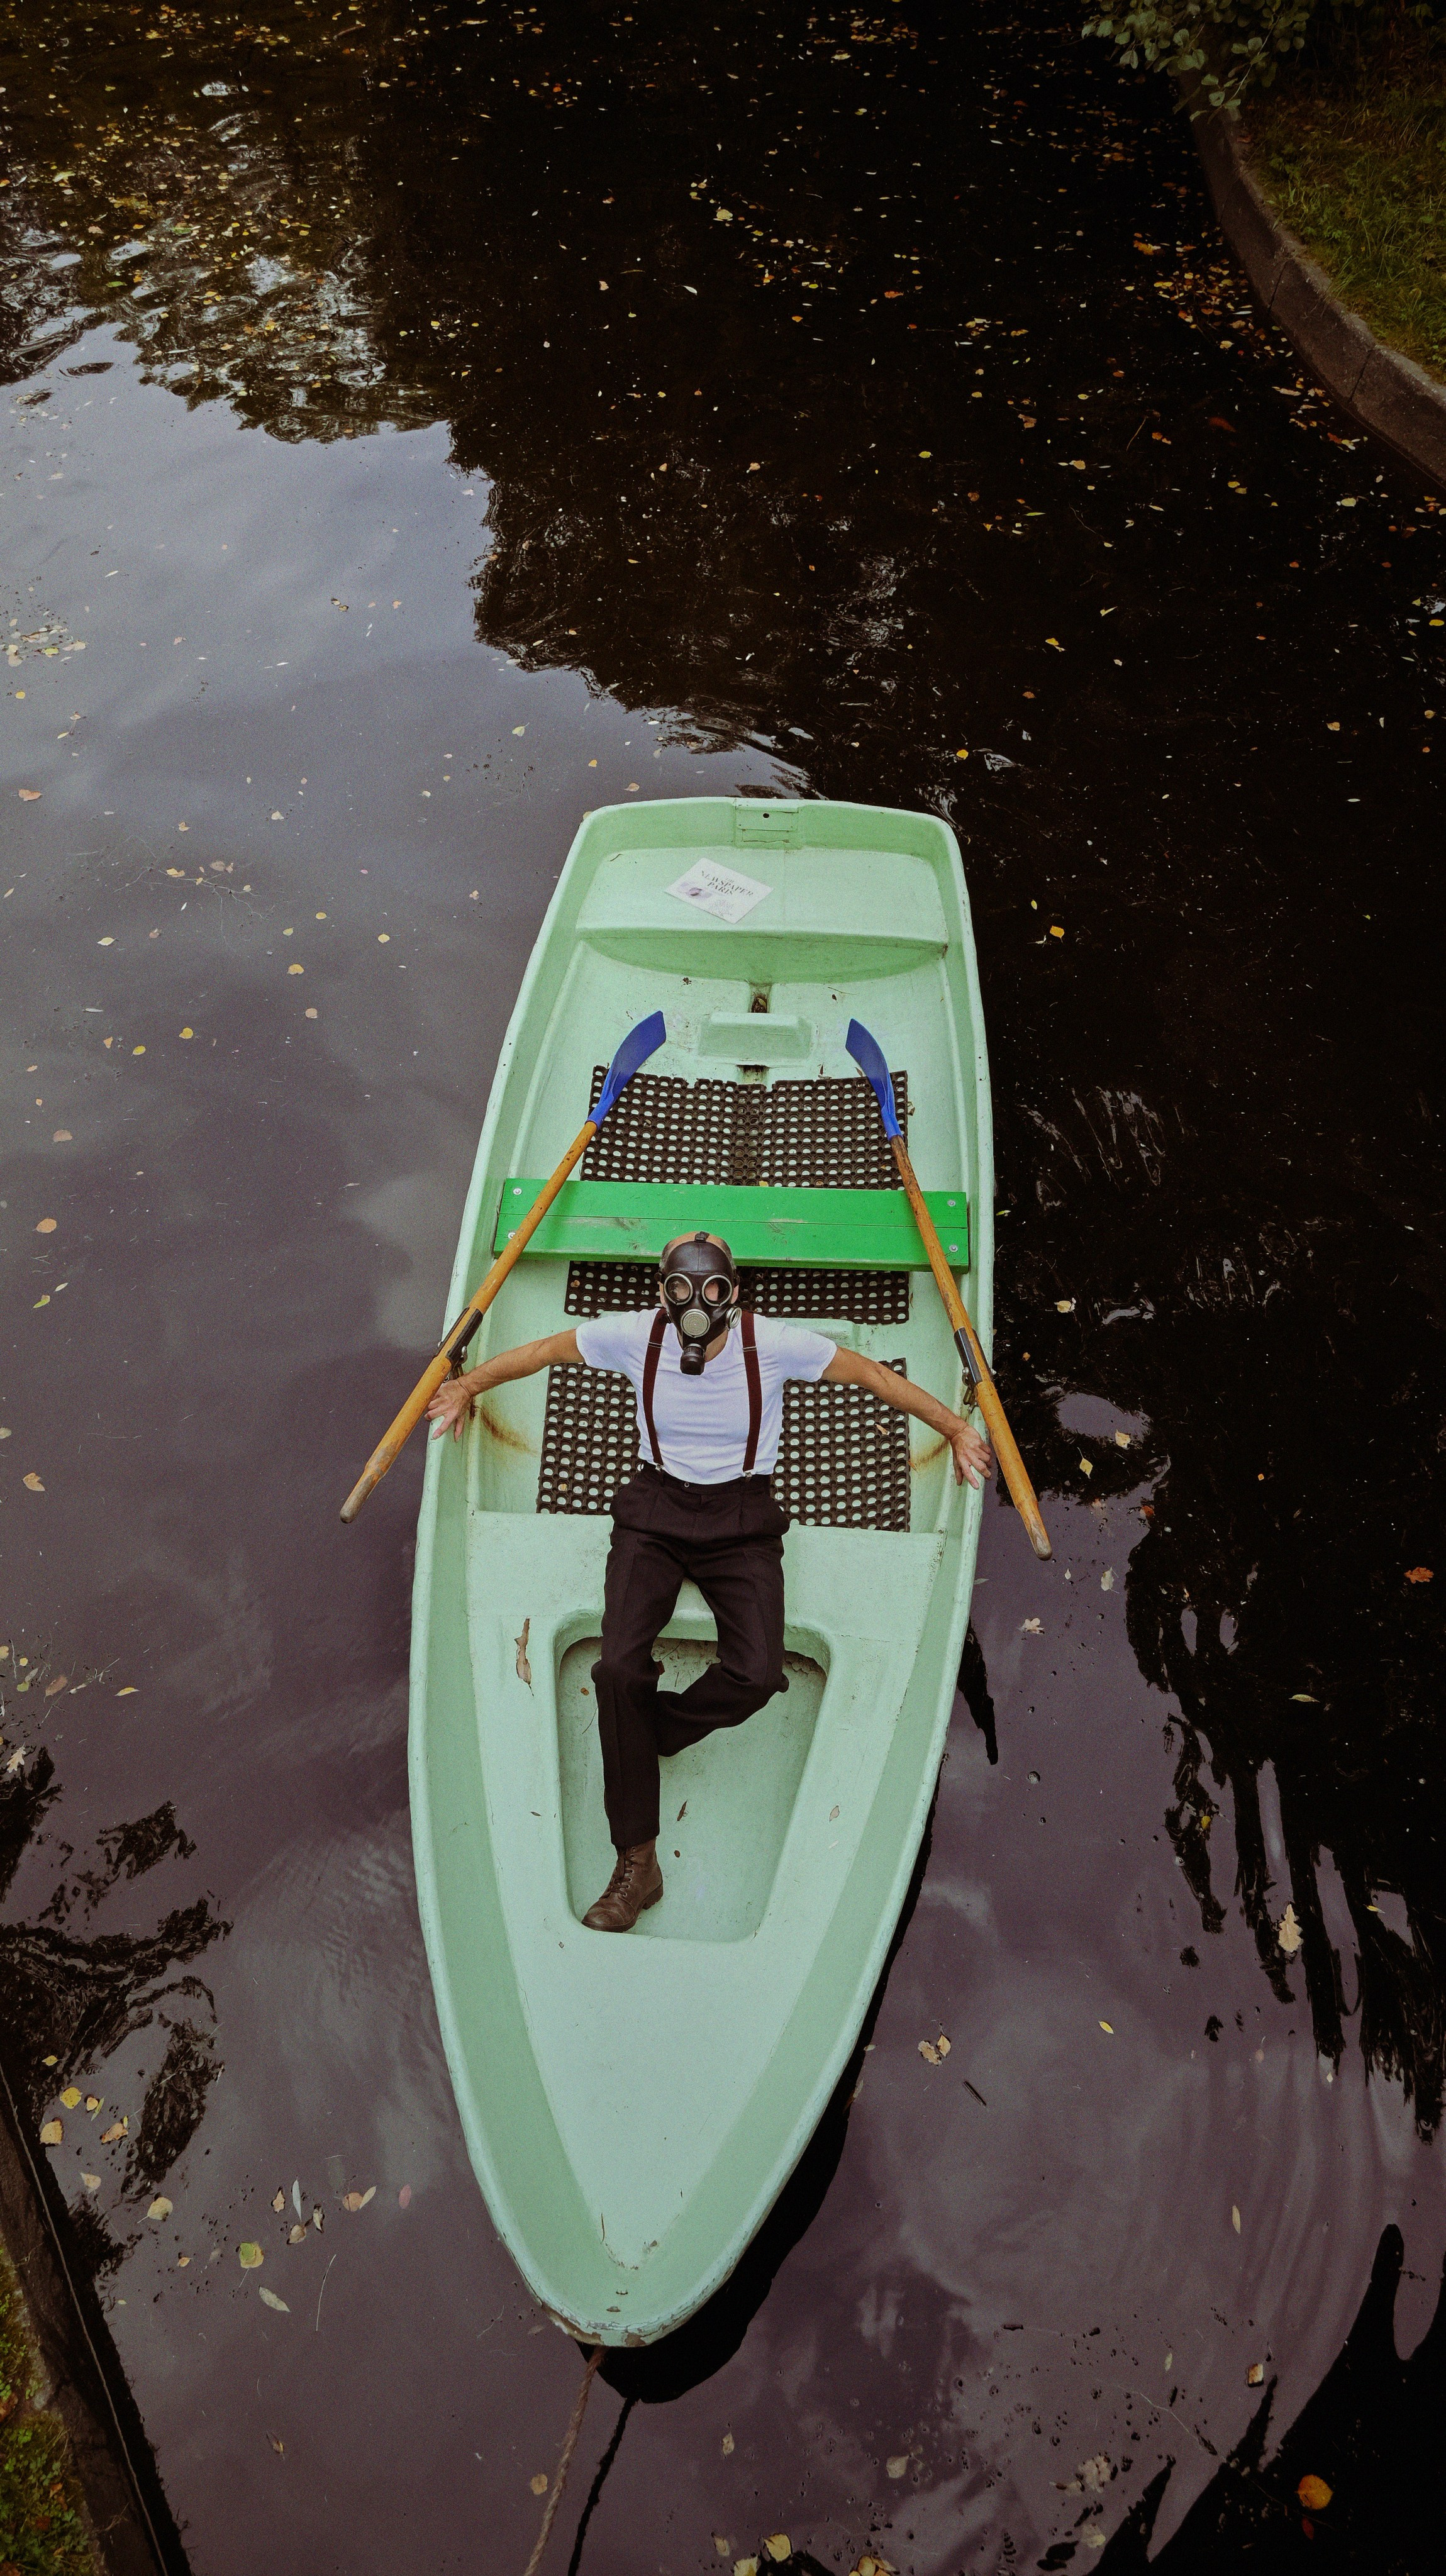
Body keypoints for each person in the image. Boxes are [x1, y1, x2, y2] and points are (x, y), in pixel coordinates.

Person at [426, 1233, 993, 1932]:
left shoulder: (777, 1345)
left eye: (714, 1290)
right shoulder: (635, 1336)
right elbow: (540, 1352)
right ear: (663, 1293)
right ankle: (638, 1863)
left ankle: (654, 1730)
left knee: (756, 1674)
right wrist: (462, 1388)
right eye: (681, 1290)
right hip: (654, 1512)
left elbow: (874, 1377)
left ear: (733, 1293)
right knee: (615, 1669)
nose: (697, 1305)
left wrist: (956, 1430)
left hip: (742, 1518)